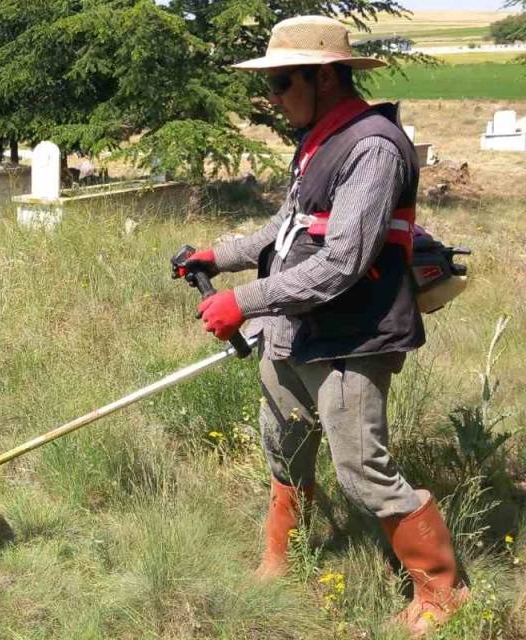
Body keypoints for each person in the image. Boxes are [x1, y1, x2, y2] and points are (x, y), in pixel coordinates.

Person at [185, 15, 468, 636]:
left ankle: (444, 595)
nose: (272, 98)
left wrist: (244, 300)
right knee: (285, 448)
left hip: (352, 338)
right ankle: (285, 559)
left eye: (281, 83)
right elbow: (283, 230)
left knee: (362, 473)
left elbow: (344, 262)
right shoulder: (317, 139)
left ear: (324, 76)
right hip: (292, 333)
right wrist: (217, 254)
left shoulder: (371, 147)